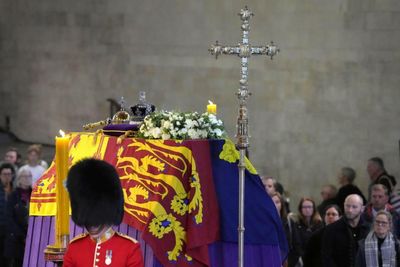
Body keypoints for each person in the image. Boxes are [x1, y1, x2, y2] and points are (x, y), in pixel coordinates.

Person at [63, 158, 144, 267]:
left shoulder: (130, 248)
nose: (92, 225)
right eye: (88, 220)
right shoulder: (74, 248)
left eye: (97, 220)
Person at [322, 194, 370, 267]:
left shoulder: (369, 229)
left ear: (362, 209)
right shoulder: (331, 229)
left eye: (354, 207)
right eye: (347, 206)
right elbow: (326, 257)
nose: (350, 210)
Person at [4, 169, 32, 267]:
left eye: (29, 176)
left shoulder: (35, 194)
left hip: (32, 237)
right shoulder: (13, 195)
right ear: (19, 179)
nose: (27, 178)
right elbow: (9, 218)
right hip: (17, 239)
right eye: (24, 176)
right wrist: (22, 236)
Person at [288, 197, 323, 267]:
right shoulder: (296, 223)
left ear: (314, 209)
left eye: (309, 207)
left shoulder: (319, 224)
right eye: (304, 207)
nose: (307, 209)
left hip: (315, 257)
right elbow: (296, 243)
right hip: (301, 257)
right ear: (300, 209)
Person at [0, 163, 16, 266]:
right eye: (4, 174)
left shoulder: (15, 190)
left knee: (9, 259)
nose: (7, 176)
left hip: (11, 231)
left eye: (9, 174)